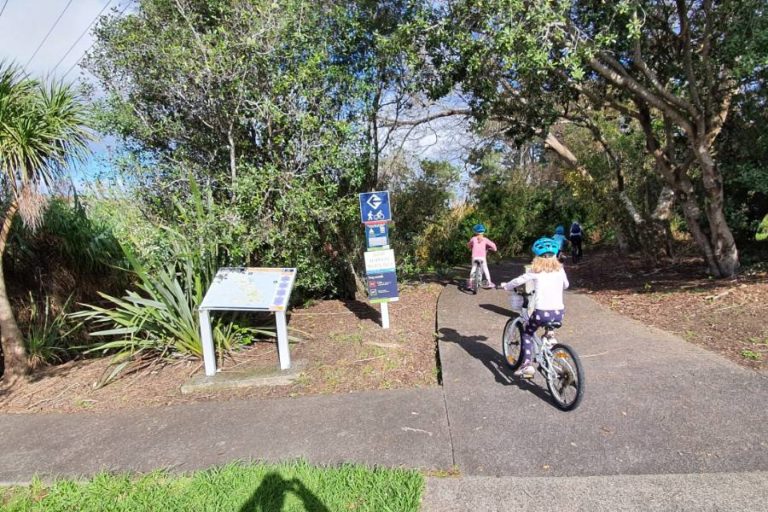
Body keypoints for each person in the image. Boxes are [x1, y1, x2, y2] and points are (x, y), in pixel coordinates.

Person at [499, 237, 569, 378]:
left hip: (541, 313)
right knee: (549, 325)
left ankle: (527, 365)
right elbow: (566, 285)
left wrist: (506, 286)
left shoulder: (535, 271)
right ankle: (550, 338)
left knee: (527, 333)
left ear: (537, 257)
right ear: (556, 256)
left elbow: (518, 281)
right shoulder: (560, 270)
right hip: (559, 312)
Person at [467, 223, 497, 289]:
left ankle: (470, 284)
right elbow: (495, 247)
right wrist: (490, 248)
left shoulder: (473, 239)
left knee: (473, 268)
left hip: (474, 257)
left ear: (475, 231)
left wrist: (470, 246)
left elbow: (468, 245)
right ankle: (489, 282)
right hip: (482, 257)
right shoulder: (485, 239)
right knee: (485, 268)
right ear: (483, 231)